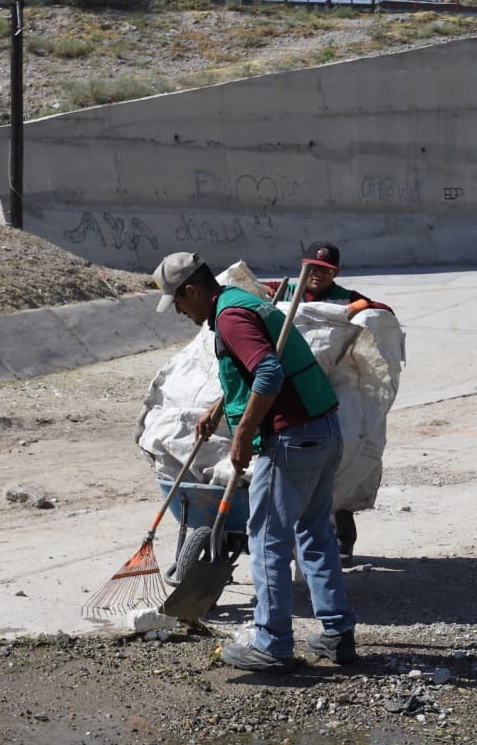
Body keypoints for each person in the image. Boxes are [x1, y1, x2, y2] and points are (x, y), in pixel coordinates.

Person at [152, 251, 359, 672]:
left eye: (177, 301)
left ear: (191, 290)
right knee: (314, 533)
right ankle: (337, 635)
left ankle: (272, 643)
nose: (178, 310)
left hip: (291, 439)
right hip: (323, 428)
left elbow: (268, 373)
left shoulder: (230, 318)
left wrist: (243, 434)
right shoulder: (244, 303)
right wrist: (218, 407)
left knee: (266, 540)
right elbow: (256, 371)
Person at [268, 240, 394, 566]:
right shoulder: (285, 294)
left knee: (343, 453)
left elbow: (383, 313)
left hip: (333, 388)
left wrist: (360, 308)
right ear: (303, 266)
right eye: (312, 268)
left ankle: (342, 536)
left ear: (334, 273)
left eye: (325, 271)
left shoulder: (346, 299)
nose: (317, 275)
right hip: (290, 387)